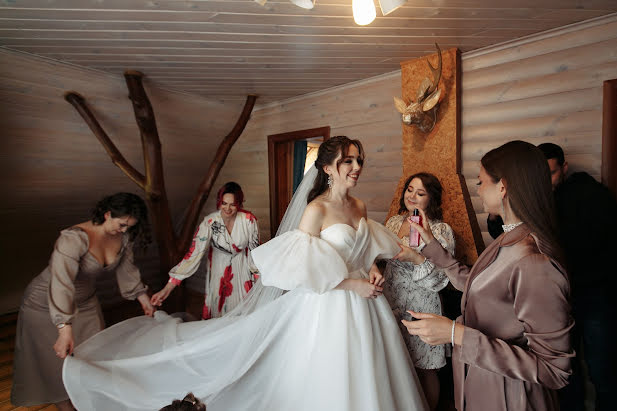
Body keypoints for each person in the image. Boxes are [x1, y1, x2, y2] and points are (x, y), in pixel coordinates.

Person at [62, 136, 429, 411]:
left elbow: (362, 248)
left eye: (358, 160)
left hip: (366, 303)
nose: (356, 166)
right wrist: (354, 285)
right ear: (329, 168)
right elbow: (303, 267)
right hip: (329, 304)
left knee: (372, 372)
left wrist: (371, 270)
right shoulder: (315, 210)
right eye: (348, 160)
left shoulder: (360, 205)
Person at [399, 141, 574, 410]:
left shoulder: (534, 261)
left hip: (510, 397)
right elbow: (477, 285)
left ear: (502, 186)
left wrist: (456, 334)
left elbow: (554, 369)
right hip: (482, 382)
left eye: (481, 182)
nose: (477, 189)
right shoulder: (508, 238)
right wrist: (432, 244)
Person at [11, 192, 155, 410]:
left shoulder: (123, 237)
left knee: (95, 357)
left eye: (129, 226)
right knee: (55, 366)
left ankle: (90, 402)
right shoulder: (73, 239)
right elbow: (61, 284)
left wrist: (143, 299)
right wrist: (64, 328)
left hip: (86, 302)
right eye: (122, 224)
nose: (125, 230)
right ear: (107, 214)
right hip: (46, 303)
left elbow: (127, 271)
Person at [535, 143, 617, 411]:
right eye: (541, 174)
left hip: (593, 293)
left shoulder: (588, 192)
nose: (547, 181)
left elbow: (598, 238)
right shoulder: (537, 199)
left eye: (552, 173)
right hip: (558, 297)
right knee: (566, 372)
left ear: (564, 168)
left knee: (603, 368)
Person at [382, 172, 454, 410]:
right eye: (409, 190)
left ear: (430, 199)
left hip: (422, 302)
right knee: (397, 363)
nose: (412, 196)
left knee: (425, 367)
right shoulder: (393, 222)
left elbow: (441, 277)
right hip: (392, 298)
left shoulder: (440, 229)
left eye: (420, 193)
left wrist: (416, 257)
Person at [151, 182, 260, 319]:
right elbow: (193, 255)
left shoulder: (249, 220)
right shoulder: (209, 223)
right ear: (219, 202)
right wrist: (168, 287)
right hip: (218, 271)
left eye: (232, 204)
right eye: (224, 203)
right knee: (219, 313)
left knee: (243, 313)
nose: (227, 208)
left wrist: (259, 281)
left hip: (242, 269)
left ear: (239, 203)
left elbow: (254, 251)